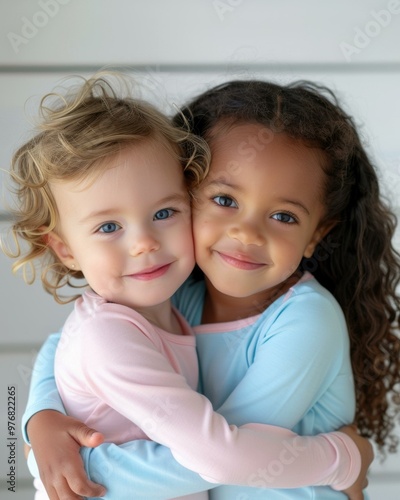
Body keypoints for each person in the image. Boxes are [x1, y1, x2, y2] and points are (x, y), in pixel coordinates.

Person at [18, 78, 398, 499]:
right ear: (190, 190)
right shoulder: (176, 295)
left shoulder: (307, 321)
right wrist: (42, 419)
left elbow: (227, 455)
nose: (247, 233)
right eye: (225, 200)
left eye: (285, 216)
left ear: (315, 235)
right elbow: (68, 344)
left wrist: (69, 466)